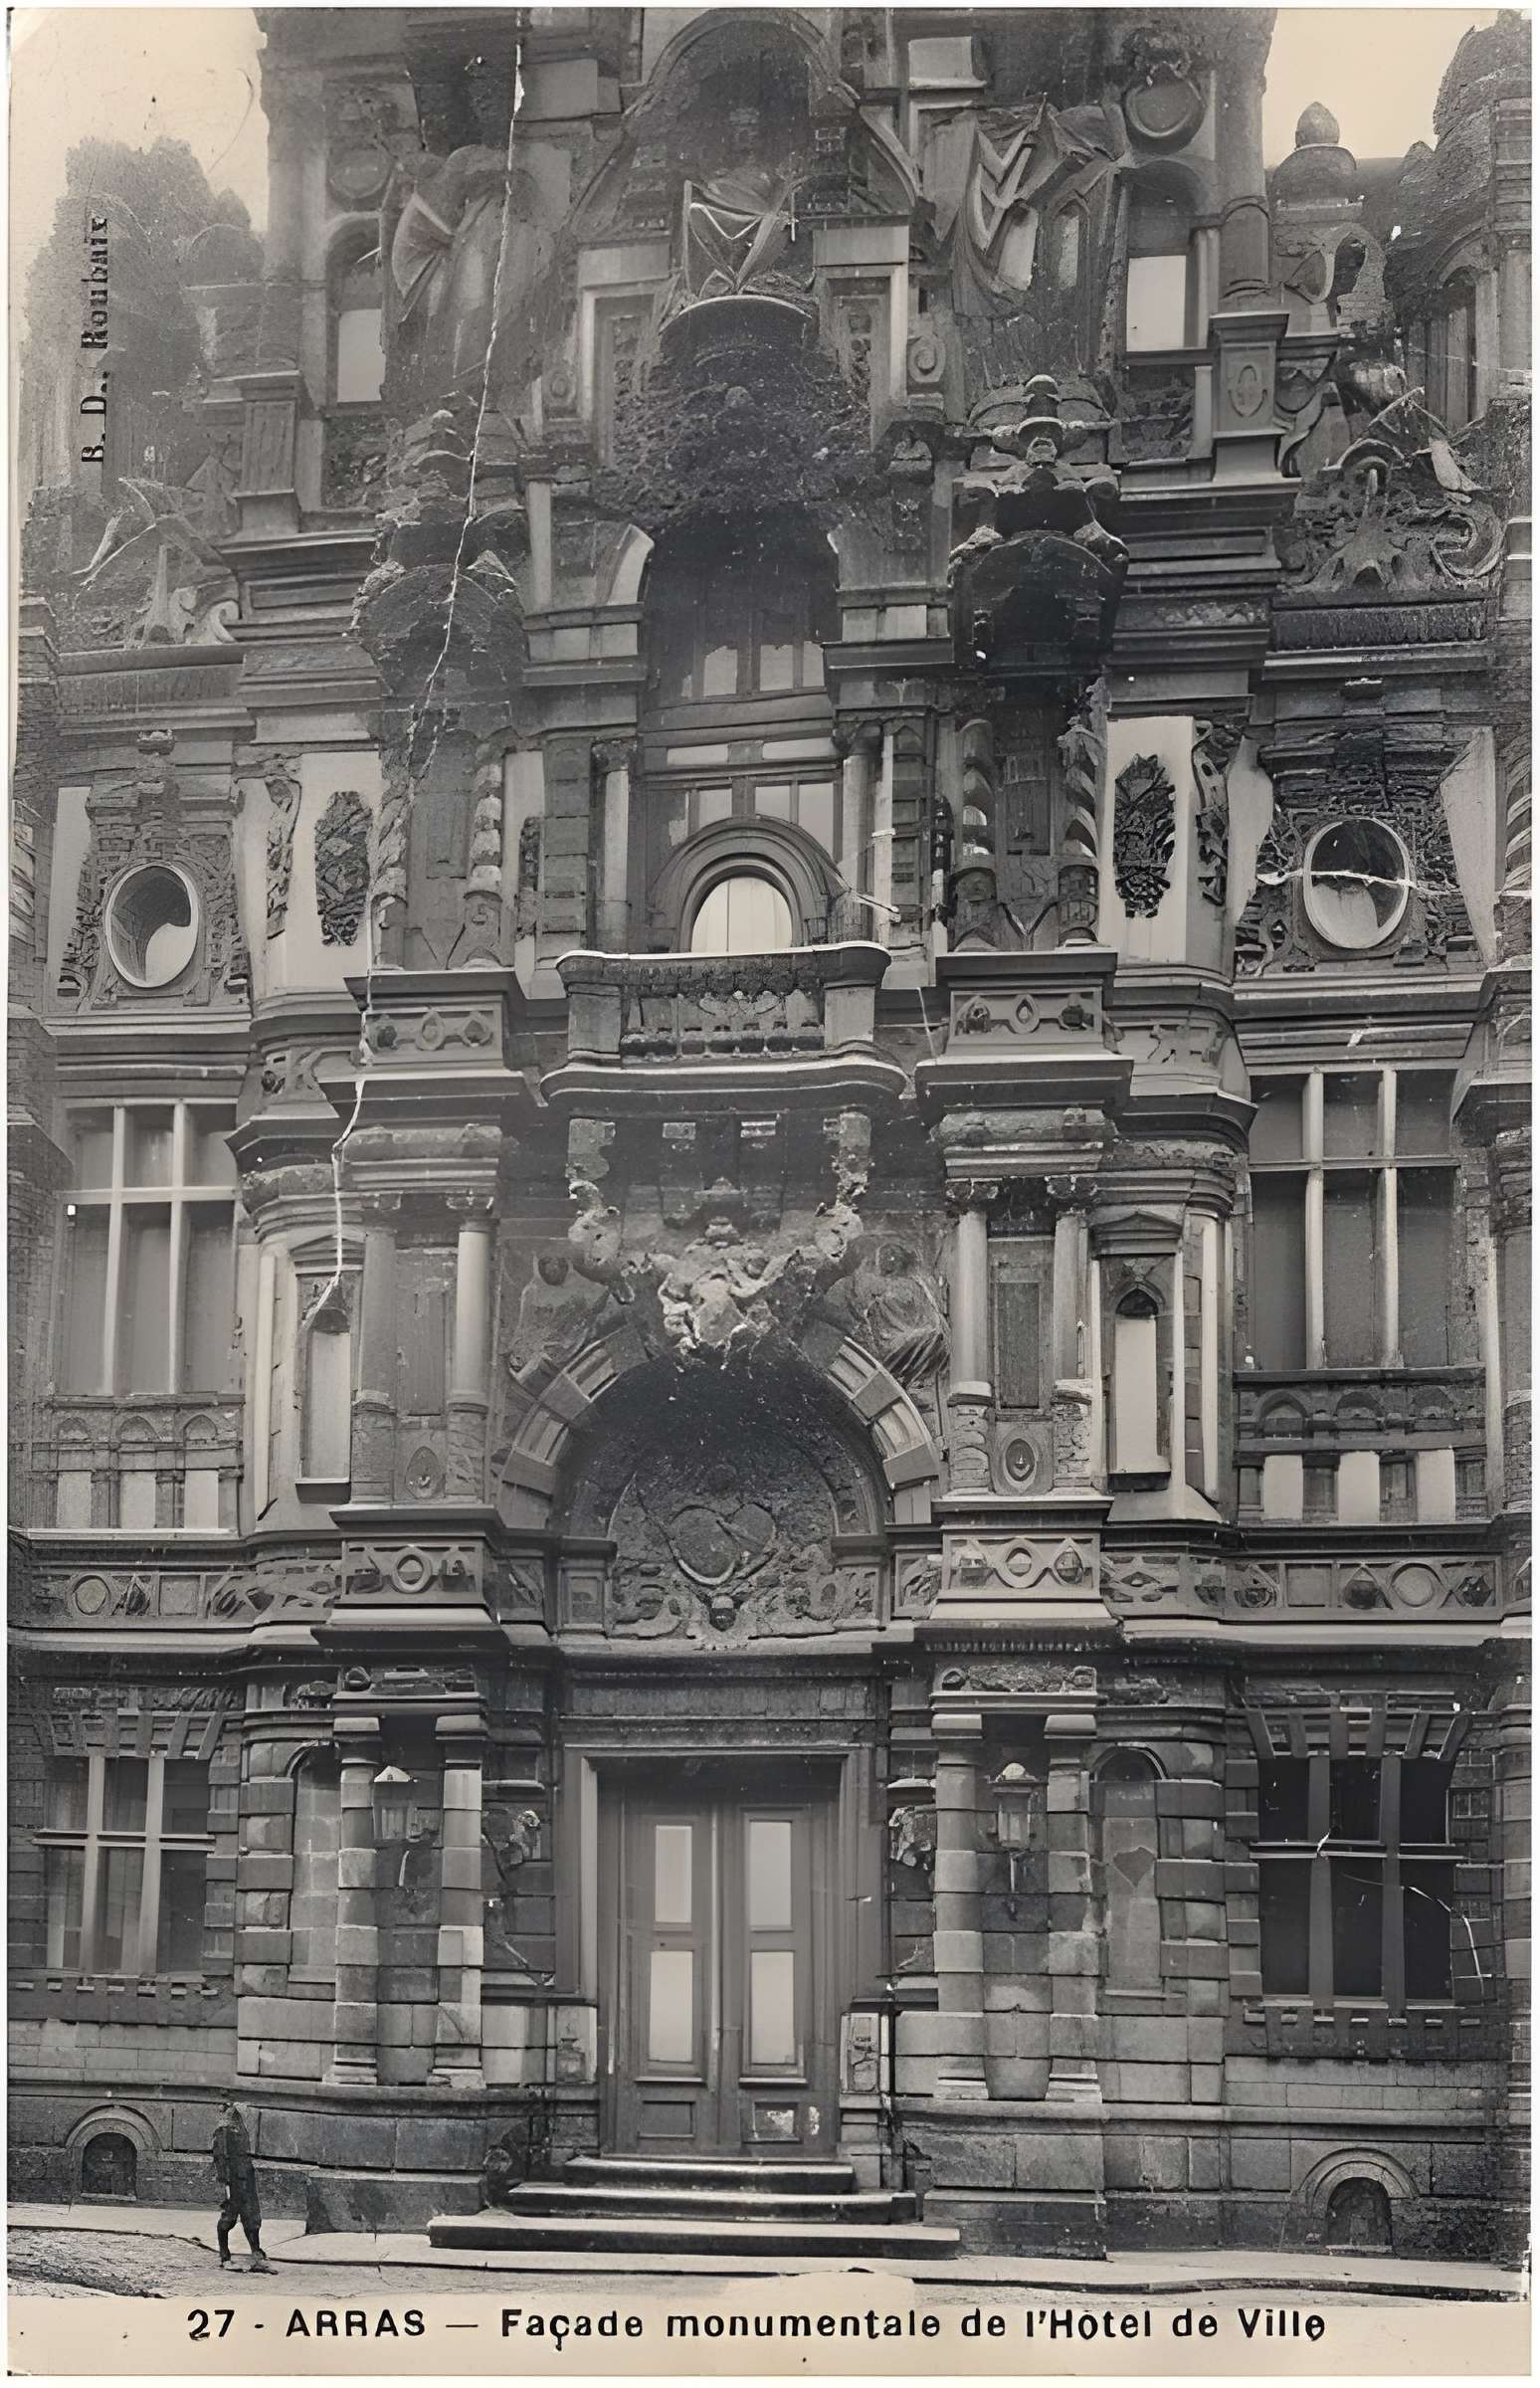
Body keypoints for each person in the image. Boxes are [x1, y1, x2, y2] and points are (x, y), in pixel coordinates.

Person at [212, 2099, 273, 2272]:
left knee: (252, 2217)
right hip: (233, 2181)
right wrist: (226, 2185)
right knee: (228, 2219)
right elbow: (221, 2158)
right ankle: (225, 2257)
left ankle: (257, 2257)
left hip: (246, 2178)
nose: (246, 2107)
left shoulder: (240, 2127)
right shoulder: (223, 2130)